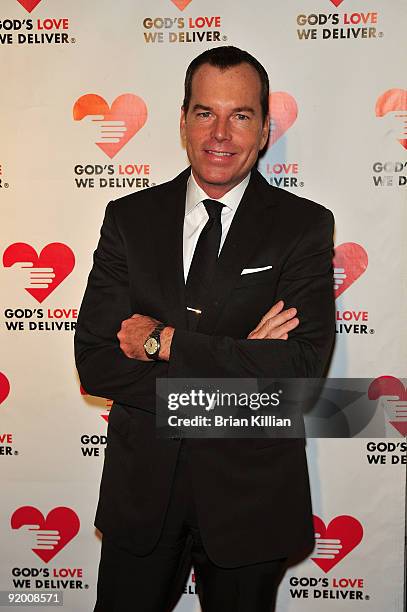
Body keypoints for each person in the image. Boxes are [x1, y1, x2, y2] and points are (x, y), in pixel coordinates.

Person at [75, 46, 335, 612]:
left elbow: (300, 371)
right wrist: (242, 363)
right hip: (142, 496)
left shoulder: (304, 226)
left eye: (240, 115)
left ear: (264, 130)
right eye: (204, 113)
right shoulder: (129, 218)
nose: (220, 133)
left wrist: (162, 343)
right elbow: (96, 359)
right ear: (183, 121)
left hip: (252, 501)